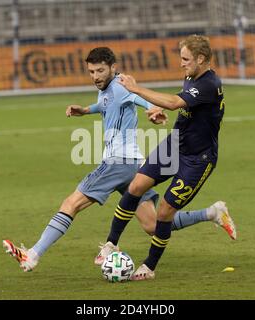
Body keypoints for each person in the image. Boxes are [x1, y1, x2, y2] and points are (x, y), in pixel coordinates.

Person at [3, 47, 234, 272]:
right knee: (153, 225)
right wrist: (85, 110)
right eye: (91, 72)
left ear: (113, 68)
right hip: (133, 166)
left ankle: (32, 255)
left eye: (100, 71)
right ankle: (212, 213)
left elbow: (141, 99)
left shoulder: (121, 85)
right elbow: (106, 104)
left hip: (118, 162)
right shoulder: (106, 89)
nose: (95, 76)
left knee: (71, 204)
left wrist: (153, 110)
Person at [95, 36, 236, 281]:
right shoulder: (193, 76)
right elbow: (182, 102)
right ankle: (111, 243)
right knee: (136, 185)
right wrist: (160, 109)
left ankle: (149, 266)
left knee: (163, 212)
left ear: (200, 59)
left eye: (185, 59)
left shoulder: (209, 83)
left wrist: (136, 88)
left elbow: (174, 102)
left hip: (197, 159)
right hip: (175, 145)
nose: (181, 64)